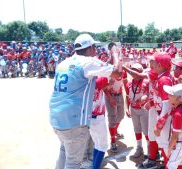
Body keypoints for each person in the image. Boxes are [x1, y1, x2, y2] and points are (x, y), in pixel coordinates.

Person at [49, 34, 121, 169]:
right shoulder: (88, 62)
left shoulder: (64, 62)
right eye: (94, 47)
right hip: (74, 121)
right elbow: (117, 72)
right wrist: (115, 53)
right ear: (91, 48)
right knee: (73, 163)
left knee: (64, 152)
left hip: (56, 117)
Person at [163, 84, 182, 169]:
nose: (168, 96)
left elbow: (175, 136)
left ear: (179, 98)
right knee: (181, 164)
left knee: (170, 166)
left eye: (171, 94)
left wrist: (169, 149)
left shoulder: (178, 114)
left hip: (180, 144)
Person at [125, 63, 149, 158]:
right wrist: (127, 108)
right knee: (137, 129)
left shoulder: (146, 82)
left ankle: (150, 149)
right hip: (134, 109)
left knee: (146, 131)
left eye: (136, 71)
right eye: (132, 70)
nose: (133, 73)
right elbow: (127, 97)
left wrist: (145, 97)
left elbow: (151, 96)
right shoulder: (129, 84)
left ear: (140, 72)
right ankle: (139, 147)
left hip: (144, 110)